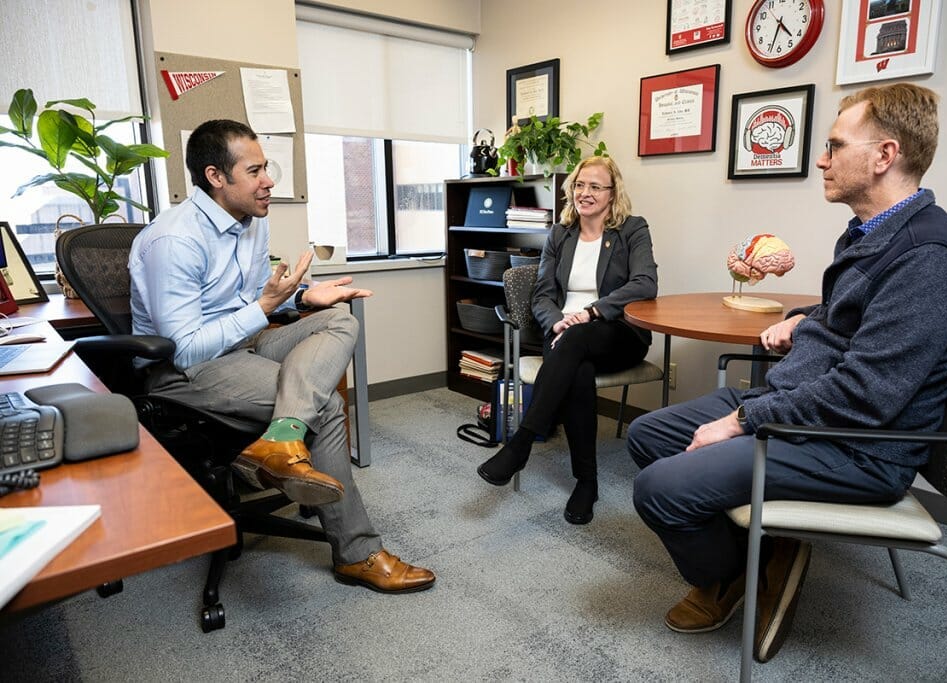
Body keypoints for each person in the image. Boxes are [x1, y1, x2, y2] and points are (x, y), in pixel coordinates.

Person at [628, 83, 947, 662]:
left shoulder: (930, 257)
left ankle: (735, 572)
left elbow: (866, 395)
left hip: (859, 445)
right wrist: (805, 318)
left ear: (884, 155)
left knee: (659, 490)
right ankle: (767, 551)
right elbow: (862, 316)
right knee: (648, 436)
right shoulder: (874, 232)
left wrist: (744, 420)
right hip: (805, 407)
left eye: (835, 144)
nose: (821, 157)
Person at [129, 119, 435, 593]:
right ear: (216, 177)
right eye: (254, 171)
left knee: (339, 320)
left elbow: (254, 298)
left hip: (241, 347)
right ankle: (357, 552)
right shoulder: (175, 240)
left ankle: (282, 438)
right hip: (183, 371)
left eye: (266, 168)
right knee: (328, 405)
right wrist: (266, 307)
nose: (268, 180)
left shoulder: (249, 224)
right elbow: (185, 348)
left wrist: (299, 300)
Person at [477, 155, 658, 524]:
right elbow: (542, 293)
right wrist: (558, 322)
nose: (585, 193)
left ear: (612, 193)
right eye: (579, 184)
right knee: (576, 365)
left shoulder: (632, 230)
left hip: (617, 331)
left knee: (576, 344)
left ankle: (521, 443)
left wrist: (591, 312)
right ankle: (586, 483)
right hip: (564, 335)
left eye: (595, 186)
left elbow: (645, 283)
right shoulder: (560, 234)